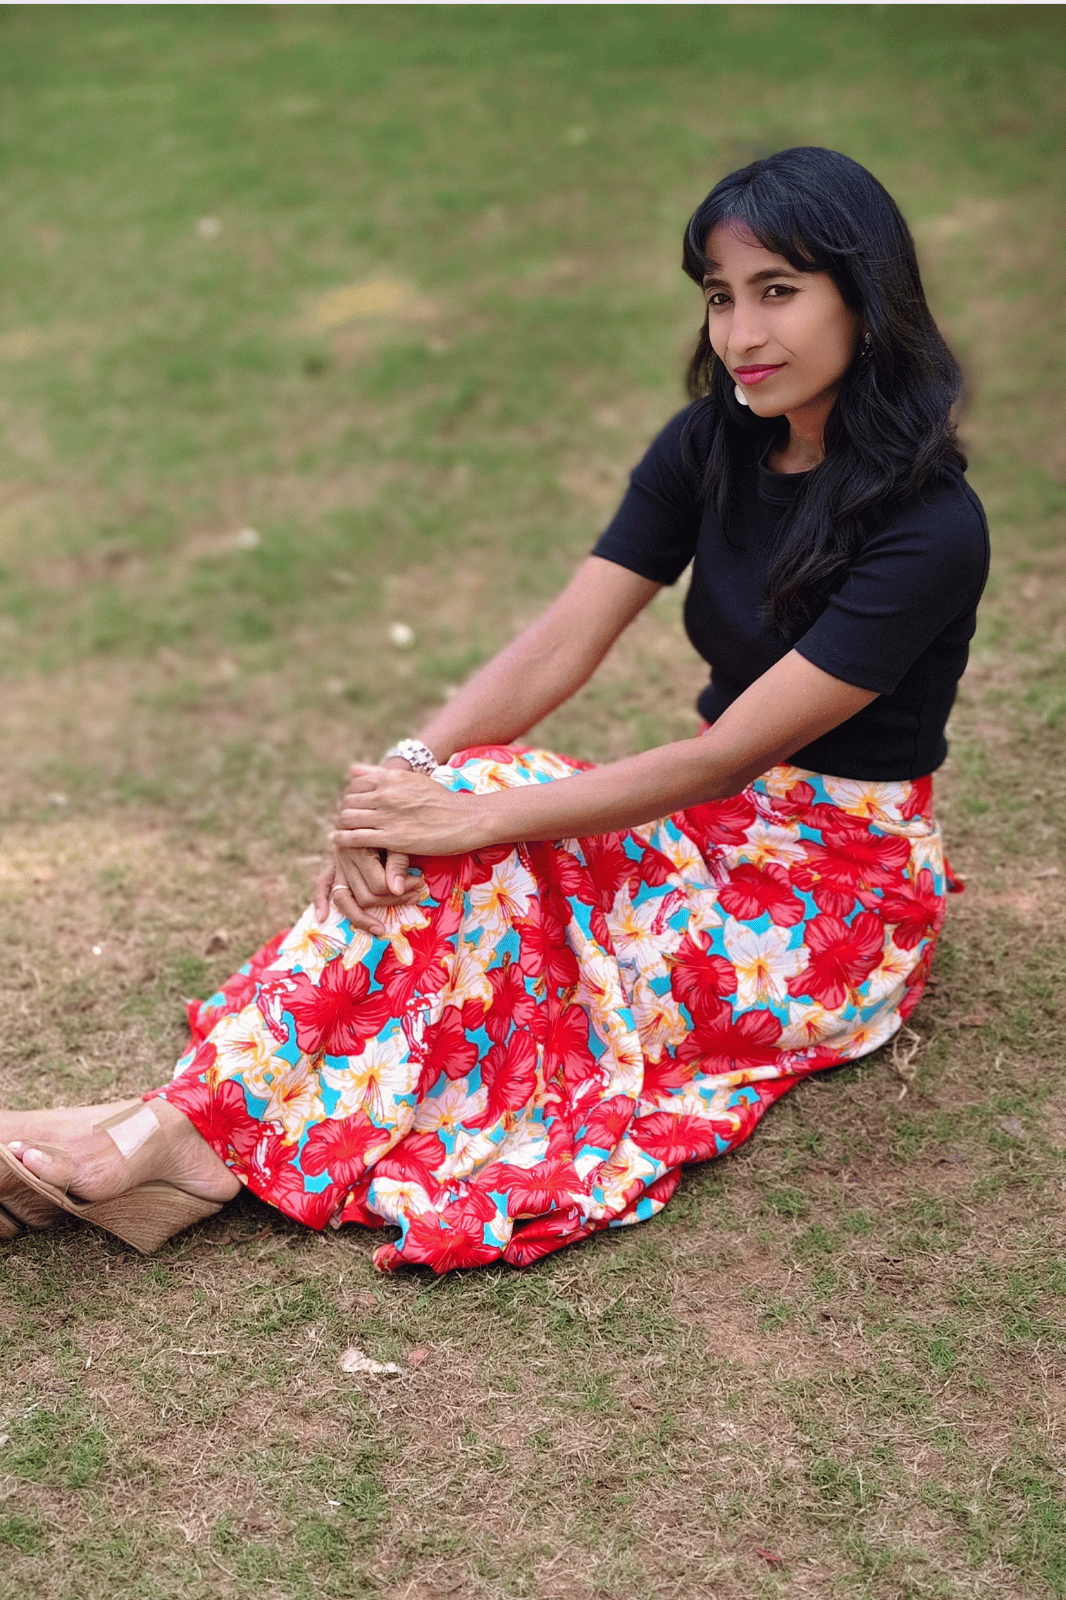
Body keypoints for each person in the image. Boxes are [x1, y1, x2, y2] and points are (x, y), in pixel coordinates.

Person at [0, 147, 988, 1272]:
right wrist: (405, 775)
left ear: (866, 297)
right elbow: (563, 638)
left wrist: (462, 812)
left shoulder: (930, 527)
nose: (738, 333)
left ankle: (163, 1134)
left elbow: (728, 758)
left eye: (777, 292)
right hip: (704, 840)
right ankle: (172, 1136)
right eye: (719, 297)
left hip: (826, 900)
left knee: (487, 823)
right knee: (466, 825)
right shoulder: (712, 442)